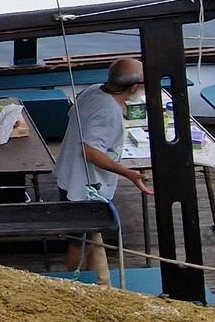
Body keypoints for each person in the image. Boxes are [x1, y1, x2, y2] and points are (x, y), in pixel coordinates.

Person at [52, 60, 152, 268]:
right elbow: (89, 151)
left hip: (68, 175)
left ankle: (88, 276)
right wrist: (128, 173)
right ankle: (74, 282)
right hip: (84, 187)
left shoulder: (93, 91)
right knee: (79, 241)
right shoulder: (108, 112)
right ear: (133, 88)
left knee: (86, 238)